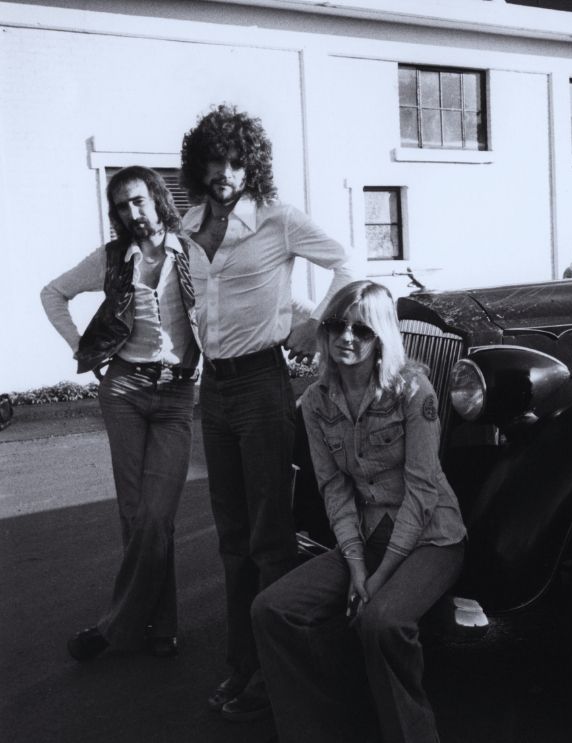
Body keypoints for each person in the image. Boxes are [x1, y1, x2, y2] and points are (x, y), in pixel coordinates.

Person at [180, 103, 357, 721]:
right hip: (213, 389)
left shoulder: (278, 220)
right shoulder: (190, 226)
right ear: (200, 166)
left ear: (250, 165)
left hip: (261, 386)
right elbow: (188, 303)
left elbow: (346, 260)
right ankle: (242, 661)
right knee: (232, 537)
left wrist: (317, 326)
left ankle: (272, 673)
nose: (226, 173)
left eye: (236, 162)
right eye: (216, 161)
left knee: (269, 536)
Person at [251, 280, 466, 743]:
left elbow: (422, 490)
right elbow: (334, 489)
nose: (346, 337)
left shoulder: (414, 391)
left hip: (433, 537)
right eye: (336, 325)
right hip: (368, 539)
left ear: (381, 336)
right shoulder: (315, 402)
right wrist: (355, 566)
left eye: (362, 329)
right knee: (272, 609)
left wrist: (377, 575)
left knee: (381, 622)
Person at [40, 166, 200, 661]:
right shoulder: (111, 259)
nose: (133, 213)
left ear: (158, 198)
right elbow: (53, 293)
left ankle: (113, 627)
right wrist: (83, 348)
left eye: (139, 201)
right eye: (122, 206)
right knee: (136, 516)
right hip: (124, 390)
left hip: (176, 394)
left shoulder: (192, 251)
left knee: (156, 514)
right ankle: (161, 626)